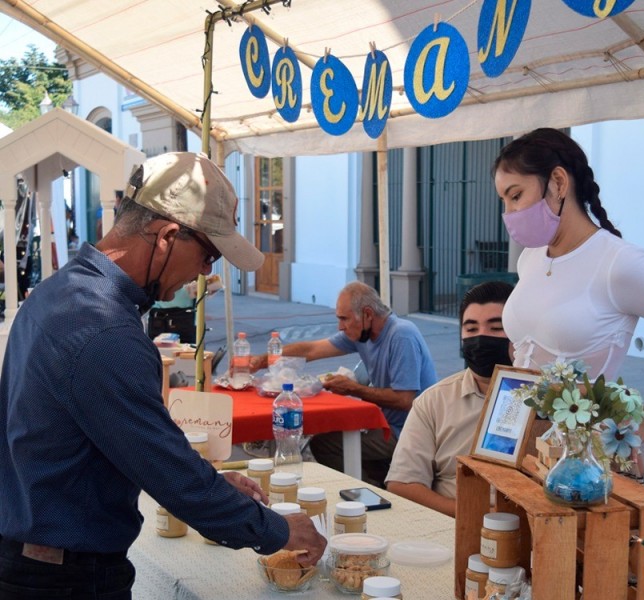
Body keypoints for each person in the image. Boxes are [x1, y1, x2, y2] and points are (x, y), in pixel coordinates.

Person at [0, 152, 326, 599]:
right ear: (168, 236)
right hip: (63, 577)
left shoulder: (59, 293)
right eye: (209, 254)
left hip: (37, 556)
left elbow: (131, 444)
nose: (207, 273)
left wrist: (210, 484)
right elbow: (168, 472)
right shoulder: (104, 330)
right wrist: (279, 531)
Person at [493, 128, 644, 459]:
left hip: (584, 458)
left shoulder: (618, 263)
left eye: (516, 195)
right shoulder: (531, 258)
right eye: (504, 201)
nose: (509, 213)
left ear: (558, 183)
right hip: (512, 442)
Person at [251, 281, 438, 488]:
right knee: (332, 430)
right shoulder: (363, 333)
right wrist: (261, 360)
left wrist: (353, 388)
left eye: (344, 319)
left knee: (326, 444)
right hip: (386, 423)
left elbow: (405, 400)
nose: (341, 326)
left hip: (408, 431)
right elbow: (311, 350)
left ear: (367, 314)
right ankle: (376, 481)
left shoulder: (402, 335)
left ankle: (371, 493)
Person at [386, 280, 514, 517]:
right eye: (471, 329)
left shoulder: (553, 401)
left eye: (496, 328)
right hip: (451, 527)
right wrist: (472, 517)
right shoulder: (434, 402)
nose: (482, 337)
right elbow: (402, 484)